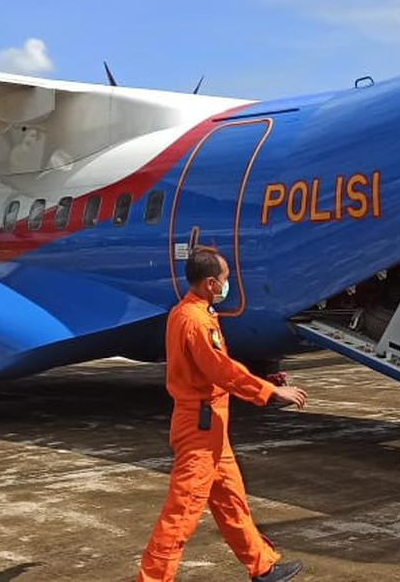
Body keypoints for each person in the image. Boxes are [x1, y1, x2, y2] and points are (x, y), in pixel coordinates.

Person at [137, 248, 308, 582]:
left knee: (231, 500)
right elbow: (220, 369)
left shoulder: (188, 312)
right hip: (199, 429)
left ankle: (262, 567)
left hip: (210, 425)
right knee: (182, 511)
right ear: (211, 283)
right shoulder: (197, 321)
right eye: (226, 278)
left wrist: (265, 380)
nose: (229, 283)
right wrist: (269, 392)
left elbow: (212, 368)